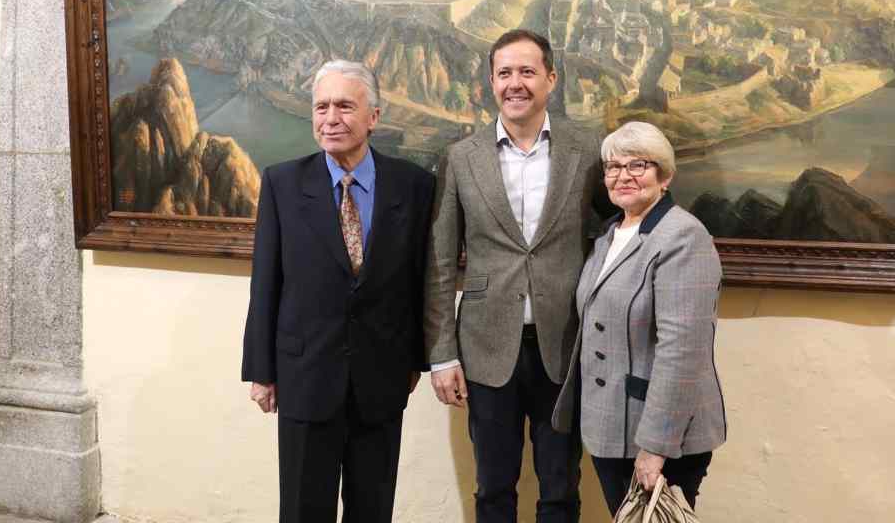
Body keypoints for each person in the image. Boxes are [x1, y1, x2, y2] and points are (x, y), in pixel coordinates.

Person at [424, 29, 606, 523]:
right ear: (491, 82)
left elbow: (622, 229)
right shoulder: (462, 158)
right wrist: (442, 356)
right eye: (505, 73)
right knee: (493, 491)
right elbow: (440, 264)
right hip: (485, 351)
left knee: (561, 490)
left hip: (564, 348)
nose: (515, 83)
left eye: (527, 71)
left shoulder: (587, 150)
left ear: (550, 78)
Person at [242, 60, 435, 523]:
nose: (331, 118)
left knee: (372, 508)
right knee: (305, 509)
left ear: (374, 117)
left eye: (345, 106)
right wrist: (261, 371)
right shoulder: (282, 183)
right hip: (304, 375)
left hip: (382, 380)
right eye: (321, 106)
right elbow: (265, 282)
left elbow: (421, 281)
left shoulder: (414, 186)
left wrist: (416, 361)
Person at [552, 121, 726, 515]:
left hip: (660, 437)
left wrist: (656, 448)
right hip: (610, 426)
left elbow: (682, 353)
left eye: (638, 165)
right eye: (613, 167)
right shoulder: (610, 234)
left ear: (664, 176)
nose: (622, 176)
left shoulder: (684, 237)